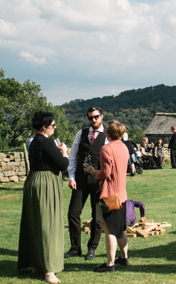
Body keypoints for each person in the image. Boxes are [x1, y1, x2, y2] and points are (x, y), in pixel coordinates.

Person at [18, 112, 69, 284]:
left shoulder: (34, 142)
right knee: (49, 226)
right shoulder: (45, 141)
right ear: (44, 126)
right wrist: (65, 153)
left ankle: (36, 265)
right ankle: (49, 270)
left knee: (36, 224)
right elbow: (62, 165)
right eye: (53, 125)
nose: (55, 128)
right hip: (45, 184)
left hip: (34, 181)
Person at [84, 120, 130, 272]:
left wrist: (92, 171)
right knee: (120, 228)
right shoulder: (125, 147)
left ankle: (110, 264)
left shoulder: (106, 149)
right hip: (122, 194)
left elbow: (106, 173)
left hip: (108, 195)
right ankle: (124, 258)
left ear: (107, 134)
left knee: (109, 229)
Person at [65, 107, 107, 261]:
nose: (93, 120)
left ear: (101, 117)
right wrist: (71, 176)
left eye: (96, 117)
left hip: (99, 182)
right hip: (80, 180)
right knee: (73, 214)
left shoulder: (108, 135)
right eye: (90, 118)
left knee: (97, 216)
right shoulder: (81, 133)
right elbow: (73, 156)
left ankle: (92, 248)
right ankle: (75, 248)